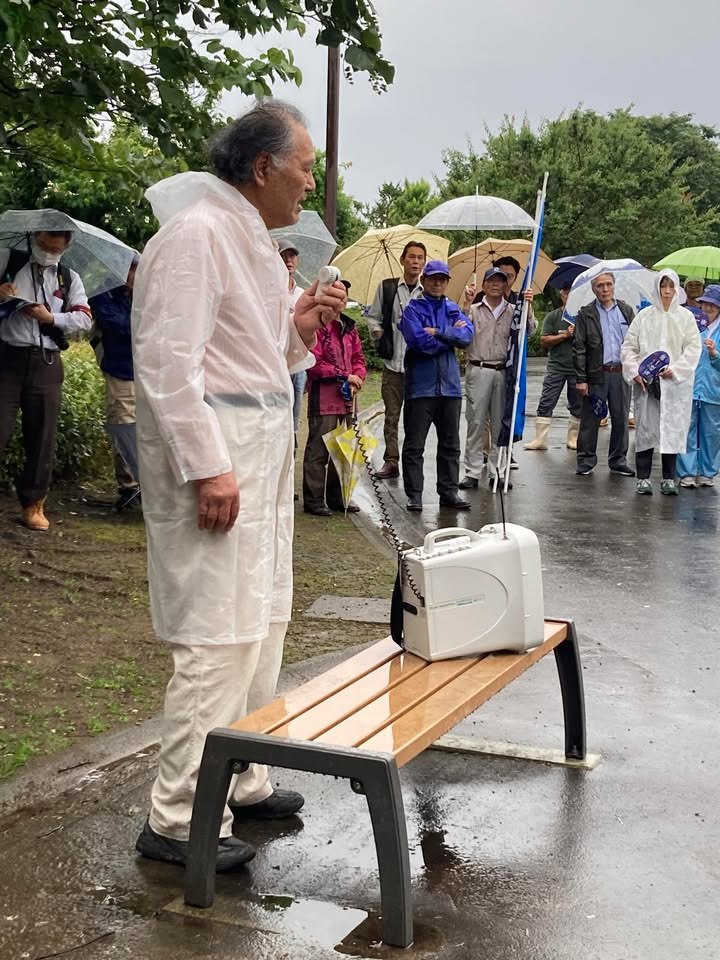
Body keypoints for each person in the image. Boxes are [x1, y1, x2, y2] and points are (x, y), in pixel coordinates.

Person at [131, 101, 348, 871]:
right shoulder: (195, 235)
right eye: (304, 168)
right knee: (218, 633)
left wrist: (302, 323)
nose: (310, 183)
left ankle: (243, 775)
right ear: (263, 167)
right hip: (220, 454)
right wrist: (207, 465)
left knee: (262, 620)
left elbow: (259, 355)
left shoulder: (251, 237)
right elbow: (167, 366)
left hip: (259, 444)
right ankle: (178, 816)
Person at [0, 230, 92, 530]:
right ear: (33, 237)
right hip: (7, 357)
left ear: (66, 247)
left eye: (55, 249)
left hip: (46, 361)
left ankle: (33, 504)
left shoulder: (68, 278)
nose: (48, 252)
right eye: (43, 245)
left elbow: (84, 319)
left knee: (42, 436)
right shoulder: (7, 262)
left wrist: (50, 318)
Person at [399, 260, 473, 511]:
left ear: (447, 282)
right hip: (420, 388)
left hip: (450, 388)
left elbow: (467, 336)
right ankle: (414, 495)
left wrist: (438, 332)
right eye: (433, 278)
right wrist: (450, 336)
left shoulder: (453, 308)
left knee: (451, 445)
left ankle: (449, 492)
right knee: (414, 445)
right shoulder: (412, 309)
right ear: (424, 280)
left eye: (442, 279)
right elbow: (419, 342)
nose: (437, 283)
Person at [620, 269, 701, 495]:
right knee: (645, 429)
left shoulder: (685, 317)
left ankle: (668, 478)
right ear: (657, 288)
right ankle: (643, 478)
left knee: (671, 429)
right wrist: (635, 371)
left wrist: (675, 369)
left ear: (677, 289)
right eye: (663, 286)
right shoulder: (644, 316)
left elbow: (693, 348)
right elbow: (629, 347)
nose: (666, 291)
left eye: (670, 286)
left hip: (674, 384)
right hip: (647, 383)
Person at [459, 267, 536, 491]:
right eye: (491, 280)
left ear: (506, 285)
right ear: (484, 285)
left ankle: (498, 471)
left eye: (500, 281)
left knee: (500, 424)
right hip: (478, 369)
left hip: (503, 371)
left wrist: (528, 306)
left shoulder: (514, 310)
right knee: (475, 423)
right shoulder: (474, 310)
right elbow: (461, 335)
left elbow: (530, 331)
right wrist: (466, 304)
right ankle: (472, 472)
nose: (495, 284)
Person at [303, 281, 367, 516]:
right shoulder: (317, 326)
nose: (339, 301)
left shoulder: (349, 327)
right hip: (324, 399)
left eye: (343, 296)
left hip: (348, 401)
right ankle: (314, 500)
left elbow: (359, 358)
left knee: (344, 451)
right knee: (319, 452)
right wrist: (343, 375)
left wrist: (357, 377)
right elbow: (314, 363)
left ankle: (338, 497)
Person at [365, 241, 426, 479]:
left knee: (414, 418)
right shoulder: (388, 287)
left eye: (420, 258)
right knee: (391, 416)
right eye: (411, 257)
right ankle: (391, 461)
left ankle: (412, 462)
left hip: (417, 367)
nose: (415, 262)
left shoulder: (426, 291)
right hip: (392, 365)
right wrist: (377, 332)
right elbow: (373, 316)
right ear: (402, 260)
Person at [89, 256, 141, 509]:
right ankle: (129, 486)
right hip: (120, 368)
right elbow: (117, 325)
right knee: (123, 424)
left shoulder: (152, 294)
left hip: (150, 372)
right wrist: (144, 322)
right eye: (133, 271)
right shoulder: (104, 294)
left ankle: (149, 484)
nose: (137, 277)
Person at [573, 272, 635, 477]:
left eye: (608, 284)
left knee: (621, 418)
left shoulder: (626, 310)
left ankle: (618, 460)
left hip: (620, 373)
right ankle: (586, 460)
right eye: (600, 285)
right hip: (596, 373)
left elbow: (635, 341)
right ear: (594, 289)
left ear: (614, 285)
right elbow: (579, 347)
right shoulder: (586, 313)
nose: (605, 289)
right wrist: (581, 379)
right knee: (590, 419)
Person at [524, 282, 581, 451]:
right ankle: (540, 439)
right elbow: (544, 340)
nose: (569, 295)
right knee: (546, 401)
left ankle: (573, 438)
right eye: (566, 292)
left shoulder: (584, 317)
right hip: (556, 367)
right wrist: (565, 335)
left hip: (577, 368)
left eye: (572, 292)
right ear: (561, 295)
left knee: (577, 404)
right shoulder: (553, 316)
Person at [676, 284, 720, 488]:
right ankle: (686, 472)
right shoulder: (691, 325)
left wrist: (715, 354)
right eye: (705, 304)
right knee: (687, 429)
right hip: (689, 386)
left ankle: (707, 473)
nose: (708, 309)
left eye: (713, 305)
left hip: (713, 389)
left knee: (711, 433)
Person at [277, 239, 306, 448]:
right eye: (283, 256)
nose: (288, 260)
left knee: (296, 401)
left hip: (299, 358)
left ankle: (293, 441)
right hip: (277, 358)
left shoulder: (302, 295)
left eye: (292, 256)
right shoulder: (271, 291)